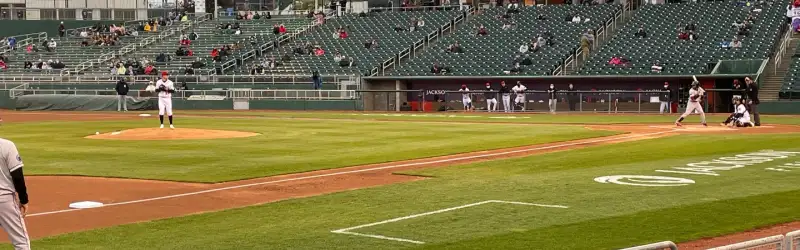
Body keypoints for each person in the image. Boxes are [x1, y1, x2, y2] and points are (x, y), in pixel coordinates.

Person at [0, 138, 30, 250]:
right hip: (4, 201)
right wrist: (24, 200)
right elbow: (17, 176)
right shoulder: (7, 146)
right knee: (21, 243)